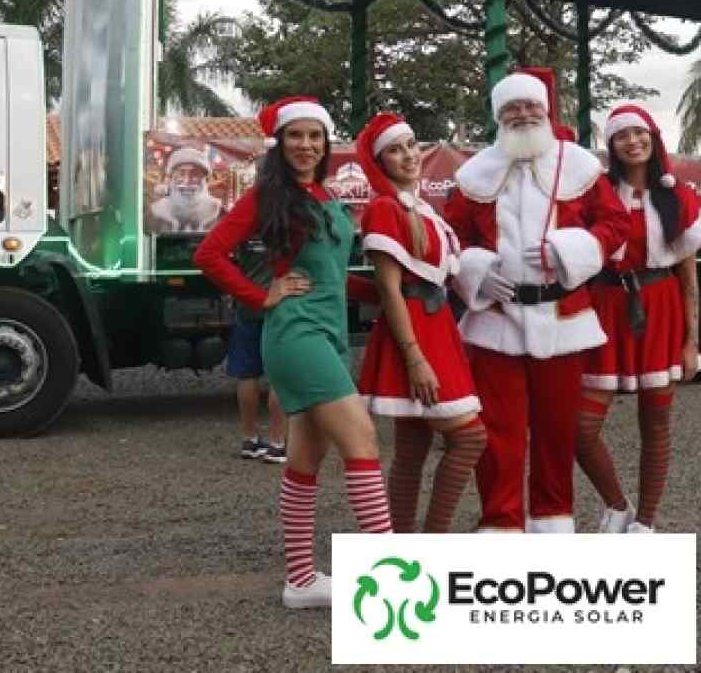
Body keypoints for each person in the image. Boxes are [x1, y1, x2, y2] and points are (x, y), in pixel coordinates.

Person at [194, 96, 390, 610]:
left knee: (307, 455)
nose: (306, 145)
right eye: (295, 136)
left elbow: (331, 274)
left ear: (326, 144)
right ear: (279, 143)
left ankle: (300, 581)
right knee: (362, 440)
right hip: (297, 334)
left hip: (330, 333)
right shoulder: (268, 196)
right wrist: (262, 295)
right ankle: (395, 585)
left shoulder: (324, 194)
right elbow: (209, 254)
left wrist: (386, 292)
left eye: (314, 136)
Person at [444, 71, 629, 533]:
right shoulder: (473, 175)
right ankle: (501, 523)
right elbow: (452, 238)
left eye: (531, 106)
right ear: (499, 117)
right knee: (497, 432)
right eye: (512, 108)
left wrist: (569, 250)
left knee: (556, 429)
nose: (523, 115)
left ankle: (552, 519)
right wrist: (477, 271)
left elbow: (614, 225)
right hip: (496, 321)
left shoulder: (580, 166)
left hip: (563, 318)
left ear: (545, 111)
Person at [576, 104, 701, 533]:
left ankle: (645, 523)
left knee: (655, 423)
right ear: (612, 145)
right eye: (622, 135)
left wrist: (692, 341)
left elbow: (689, 279)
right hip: (605, 310)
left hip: (660, 310)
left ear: (653, 138)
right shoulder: (595, 194)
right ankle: (617, 505)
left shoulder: (678, 196)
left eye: (639, 133)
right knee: (580, 428)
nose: (633, 141)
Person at [353, 112, 487, 533]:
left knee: (412, 449)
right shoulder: (385, 208)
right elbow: (390, 289)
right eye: (395, 150)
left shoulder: (421, 208)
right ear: (381, 162)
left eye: (411, 145)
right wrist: (414, 358)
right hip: (415, 332)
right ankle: (433, 539)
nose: (408, 155)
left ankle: (403, 545)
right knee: (470, 438)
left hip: (436, 325)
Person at [225, 235, 289, 463]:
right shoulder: (284, 225)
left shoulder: (245, 227)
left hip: (248, 303)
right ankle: (277, 443)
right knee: (279, 376)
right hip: (278, 306)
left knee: (247, 375)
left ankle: (249, 439)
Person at [151, 146, 223, 232]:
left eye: (195, 174)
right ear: (171, 179)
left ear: (205, 180)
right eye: (181, 174)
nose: (187, 181)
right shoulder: (156, 211)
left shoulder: (218, 211)